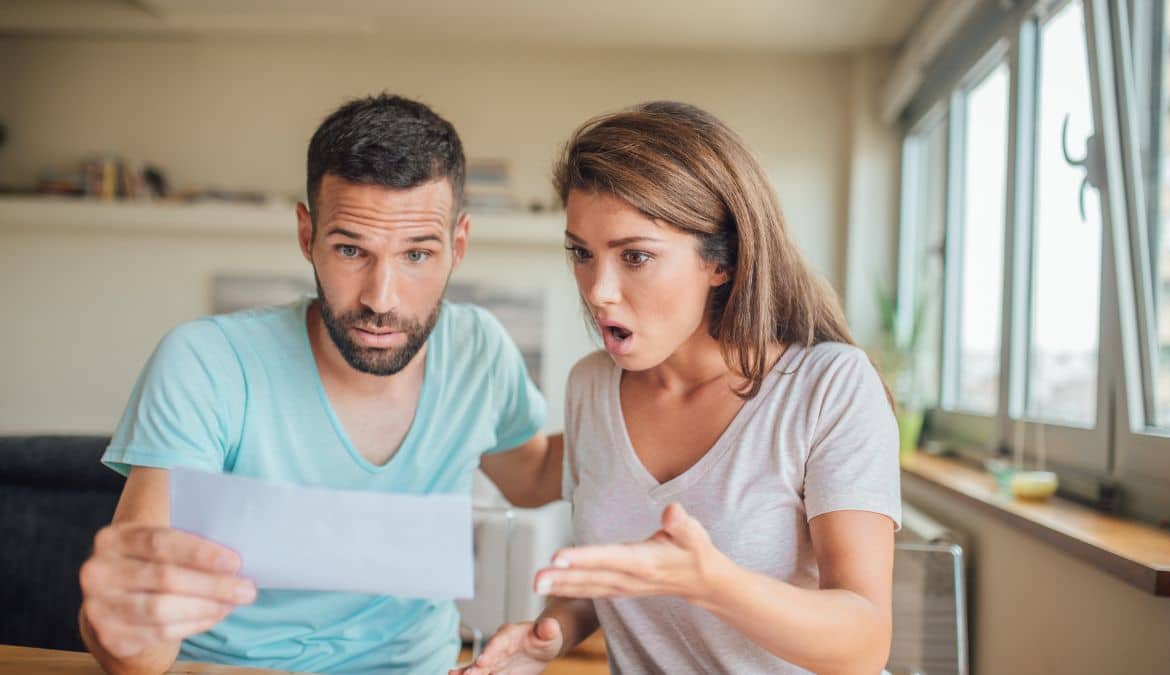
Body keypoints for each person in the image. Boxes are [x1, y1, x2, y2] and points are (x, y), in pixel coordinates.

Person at [77, 93, 563, 675]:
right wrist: (121, 625)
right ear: (307, 235)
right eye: (351, 249)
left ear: (457, 245)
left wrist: (657, 398)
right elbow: (136, 651)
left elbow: (532, 475)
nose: (381, 300)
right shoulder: (205, 363)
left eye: (416, 253)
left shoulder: (478, 349)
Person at [457, 101, 901, 675]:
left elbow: (865, 644)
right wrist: (555, 632)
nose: (597, 291)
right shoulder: (592, 387)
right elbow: (619, 581)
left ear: (721, 261)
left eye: (634, 256)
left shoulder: (828, 388)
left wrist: (713, 583)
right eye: (582, 254)